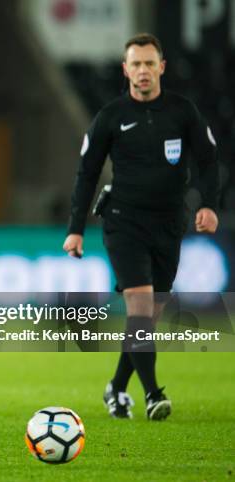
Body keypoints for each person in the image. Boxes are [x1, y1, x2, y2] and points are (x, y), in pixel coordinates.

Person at [62, 33, 219, 421]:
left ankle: (116, 388)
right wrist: (75, 227)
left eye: (150, 63)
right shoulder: (111, 117)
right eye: (136, 64)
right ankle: (152, 394)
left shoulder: (183, 112)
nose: (143, 71)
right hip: (124, 222)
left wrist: (210, 205)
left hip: (168, 223)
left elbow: (209, 160)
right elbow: (87, 174)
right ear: (125, 69)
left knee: (148, 318)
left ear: (161, 67)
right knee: (140, 306)